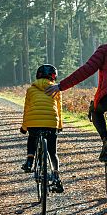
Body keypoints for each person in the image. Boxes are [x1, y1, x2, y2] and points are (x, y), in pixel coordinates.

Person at [46, 24, 107, 170]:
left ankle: (106, 141)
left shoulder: (105, 49)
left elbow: (86, 70)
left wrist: (61, 86)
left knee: (95, 110)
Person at [21, 64, 64, 193]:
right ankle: (56, 176)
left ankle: (29, 160)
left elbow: (27, 109)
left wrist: (24, 127)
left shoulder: (30, 90)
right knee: (53, 152)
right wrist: (60, 126)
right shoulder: (56, 89)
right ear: (53, 76)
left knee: (32, 138)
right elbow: (59, 109)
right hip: (51, 123)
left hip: (33, 122)